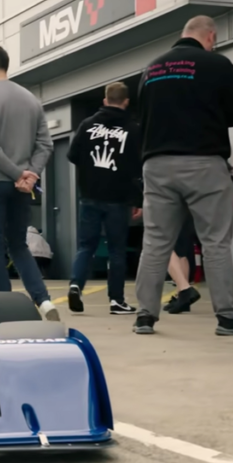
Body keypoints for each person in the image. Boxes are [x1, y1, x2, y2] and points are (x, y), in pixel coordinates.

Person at [133, 15, 233, 336]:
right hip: (203, 163)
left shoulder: (150, 69)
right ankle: (228, 318)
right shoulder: (216, 63)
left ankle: (145, 316)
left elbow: (142, 118)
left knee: (156, 243)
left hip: (156, 165)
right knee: (215, 242)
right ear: (210, 37)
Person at [0, 45, 59, 321]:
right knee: (19, 245)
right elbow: (45, 144)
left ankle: (4, 313)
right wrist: (29, 174)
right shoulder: (31, 99)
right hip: (21, 189)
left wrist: (17, 173)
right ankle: (44, 301)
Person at [65, 82, 143, 315]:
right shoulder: (133, 129)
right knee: (117, 250)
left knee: (86, 246)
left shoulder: (87, 125)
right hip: (118, 199)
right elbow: (137, 168)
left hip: (89, 195)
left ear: (105, 100)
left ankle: (76, 285)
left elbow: (72, 155)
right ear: (126, 102)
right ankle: (116, 300)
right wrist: (137, 200)